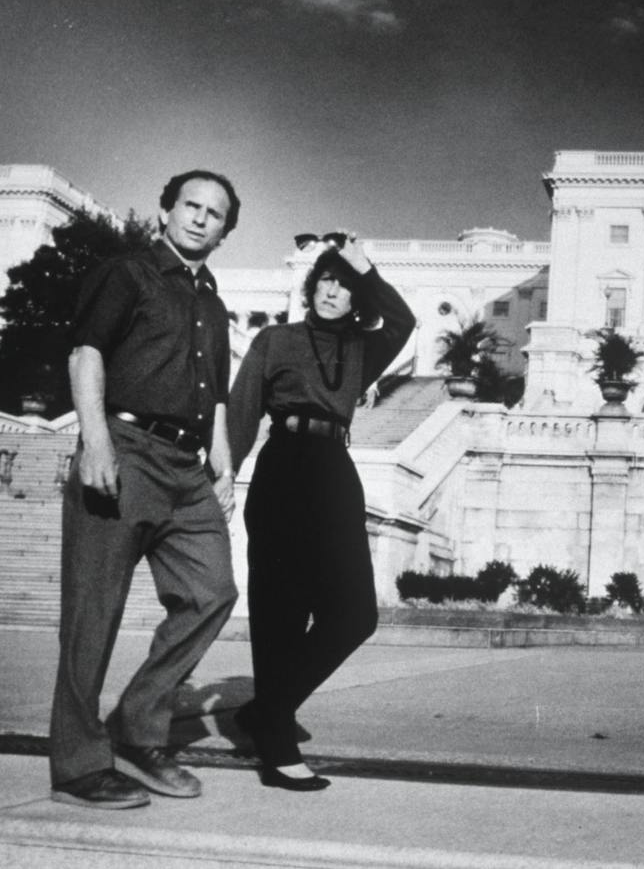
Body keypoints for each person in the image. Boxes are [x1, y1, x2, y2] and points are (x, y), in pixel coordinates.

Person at [50, 170, 242, 809]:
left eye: (214, 214)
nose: (199, 218)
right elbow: (86, 353)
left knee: (212, 592)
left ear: (223, 231)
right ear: (166, 210)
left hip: (187, 472)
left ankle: (136, 728)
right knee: (92, 616)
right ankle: (79, 768)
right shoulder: (128, 274)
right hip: (125, 450)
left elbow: (214, 392)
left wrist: (225, 463)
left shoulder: (213, 303)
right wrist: (95, 439)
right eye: (191, 205)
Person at [227, 233, 414, 791]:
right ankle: (278, 743)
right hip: (283, 465)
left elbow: (403, 324)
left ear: (358, 297)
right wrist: (222, 478)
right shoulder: (273, 339)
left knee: (355, 614)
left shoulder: (363, 348)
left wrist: (367, 268)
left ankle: (267, 709)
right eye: (328, 280)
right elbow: (241, 412)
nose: (335, 290)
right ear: (313, 286)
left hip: (334, 471)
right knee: (279, 611)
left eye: (346, 284)